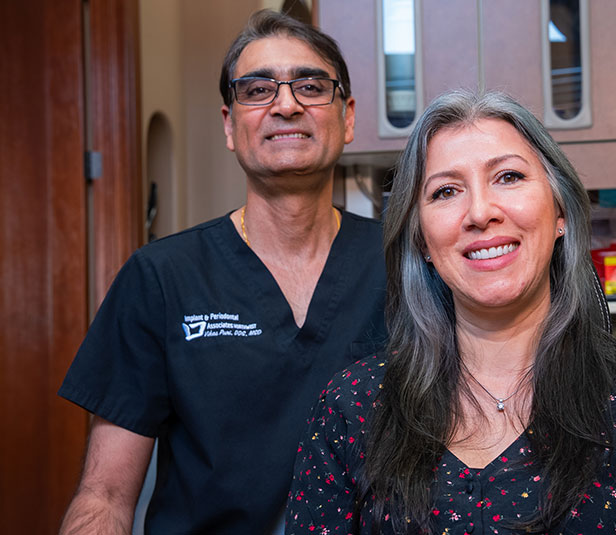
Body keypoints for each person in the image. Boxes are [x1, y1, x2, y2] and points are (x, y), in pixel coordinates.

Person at [286, 90, 616, 534]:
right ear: (422, 241)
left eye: (508, 177)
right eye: (446, 191)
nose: (480, 211)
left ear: (561, 212)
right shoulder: (354, 407)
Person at [58, 10, 387, 534]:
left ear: (346, 117)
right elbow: (105, 496)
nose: (285, 104)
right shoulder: (161, 278)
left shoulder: (409, 268)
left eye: (310, 85)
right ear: (231, 126)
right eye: (257, 90)